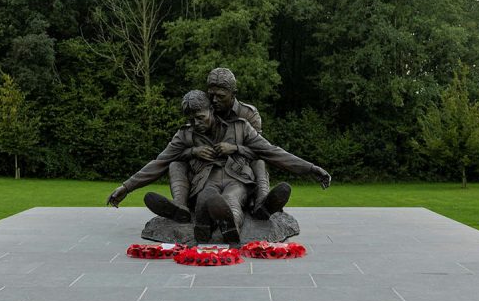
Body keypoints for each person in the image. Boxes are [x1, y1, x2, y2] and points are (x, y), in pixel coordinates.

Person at [107, 90, 330, 244]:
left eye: (200, 117)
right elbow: (159, 162)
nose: (196, 124)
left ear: (212, 111)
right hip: (204, 181)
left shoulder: (241, 127)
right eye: (192, 120)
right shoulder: (185, 134)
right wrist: (126, 187)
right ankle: (201, 219)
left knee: (233, 199)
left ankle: (229, 226)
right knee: (207, 196)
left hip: (237, 179)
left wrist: (311, 169)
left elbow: (273, 151)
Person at [144, 67, 286, 222]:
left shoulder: (248, 114)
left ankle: (261, 201)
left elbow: (260, 150)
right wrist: (193, 151)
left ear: (233, 94)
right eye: (211, 95)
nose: (215, 100)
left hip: (239, 170)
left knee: (259, 161)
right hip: (209, 171)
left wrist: (235, 148)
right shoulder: (203, 111)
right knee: (176, 163)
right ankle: (180, 205)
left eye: (220, 96)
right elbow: (178, 148)